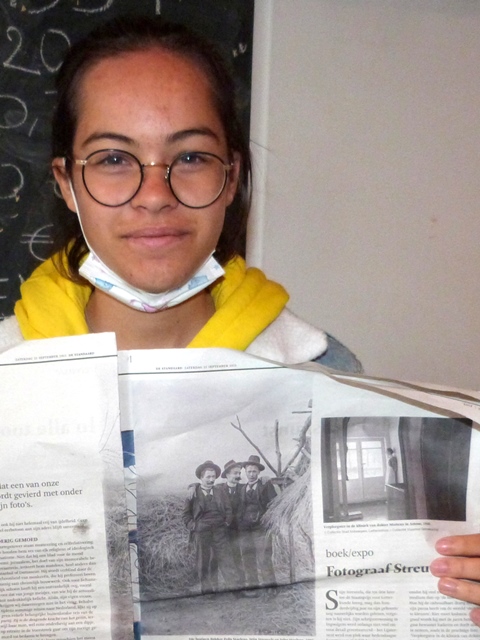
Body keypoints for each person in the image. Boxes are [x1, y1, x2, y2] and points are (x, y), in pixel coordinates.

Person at [0, 13, 477, 627]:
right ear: (67, 183)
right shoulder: (7, 372)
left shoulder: (325, 372)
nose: (155, 194)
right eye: (114, 158)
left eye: (191, 156)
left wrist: (459, 587)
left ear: (231, 178)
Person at [182, 460, 240, 595]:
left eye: (213, 477)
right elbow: (185, 515)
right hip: (202, 532)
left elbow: (228, 509)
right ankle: (208, 591)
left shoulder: (220, 491)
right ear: (201, 478)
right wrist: (194, 526)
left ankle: (235, 589)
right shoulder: (193, 493)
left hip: (220, 531)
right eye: (208, 477)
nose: (211, 480)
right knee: (204, 561)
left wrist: (226, 523)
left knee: (226, 559)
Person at [237, 455, 277, 592]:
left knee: (263, 558)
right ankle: (253, 586)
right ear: (245, 472)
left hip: (261, 529)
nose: (251, 474)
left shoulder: (266, 485)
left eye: (254, 471)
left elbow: (274, 504)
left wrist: (267, 522)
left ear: (259, 472)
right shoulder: (242, 489)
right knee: (247, 558)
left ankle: (270, 588)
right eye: (249, 471)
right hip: (245, 529)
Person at [217, 460, 246, 585]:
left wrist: (265, 478)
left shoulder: (244, 488)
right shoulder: (219, 489)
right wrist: (193, 486)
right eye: (235, 473)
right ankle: (231, 583)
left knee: (238, 555)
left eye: (239, 473)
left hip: (239, 529)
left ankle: (241, 583)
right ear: (227, 474)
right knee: (226, 557)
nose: (238, 476)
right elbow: (203, 485)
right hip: (223, 529)